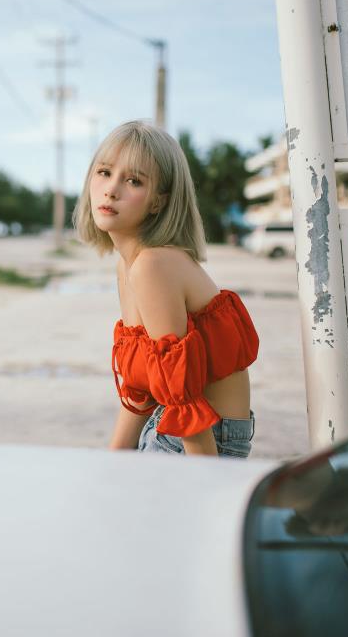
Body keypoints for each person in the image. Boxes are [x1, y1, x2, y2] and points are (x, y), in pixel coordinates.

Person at [72, 120, 259, 457]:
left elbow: (182, 397)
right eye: (104, 172)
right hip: (170, 429)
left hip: (198, 442)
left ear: (158, 202)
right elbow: (142, 396)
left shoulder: (153, 266)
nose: (111, 189)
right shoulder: (129, 266)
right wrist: (111, 461)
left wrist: (207, 482)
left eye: (133, 180)